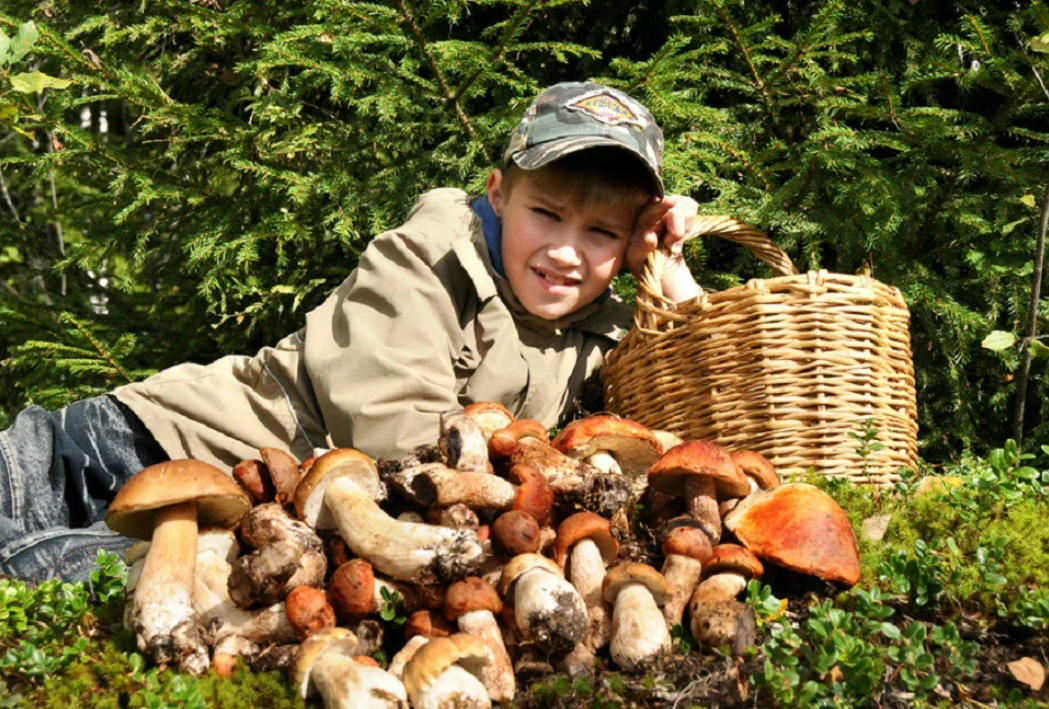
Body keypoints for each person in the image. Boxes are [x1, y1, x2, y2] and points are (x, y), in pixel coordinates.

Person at [0, 81, 702, 583]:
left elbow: (706, 387)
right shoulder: (429, 255)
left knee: (63, 582)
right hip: (140, 445)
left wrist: (669, 267)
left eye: (602, 232)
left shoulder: (601, 326)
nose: (566, 251)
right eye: (546, 213)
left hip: (231, 521)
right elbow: (392, 431)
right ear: (497, 192)